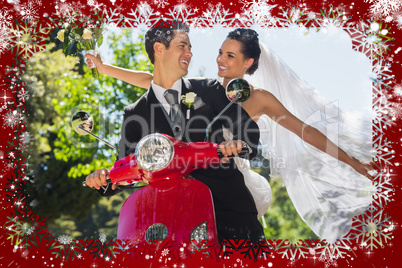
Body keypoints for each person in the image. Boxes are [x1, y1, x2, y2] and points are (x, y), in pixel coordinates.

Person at [85, 27, 376, 243]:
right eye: (220, 52)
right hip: (184, 187)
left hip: (229, 171)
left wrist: (352, 161)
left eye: (230, 55)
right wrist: (103, 68)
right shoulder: (200, 87)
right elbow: (149, 80)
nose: (221, 60)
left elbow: (306, 131)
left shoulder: (256, 98)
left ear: (248, 63)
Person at [85, 22, 266, 243]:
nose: (189, 53)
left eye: (190, 47)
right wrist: (102, 178)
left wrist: (238, 144)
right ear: (159, 49)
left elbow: (248, 130)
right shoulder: (135, 113)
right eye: (183, 46)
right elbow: (124, 168)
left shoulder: (209, 90)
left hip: (230, 214)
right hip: (175, 224)